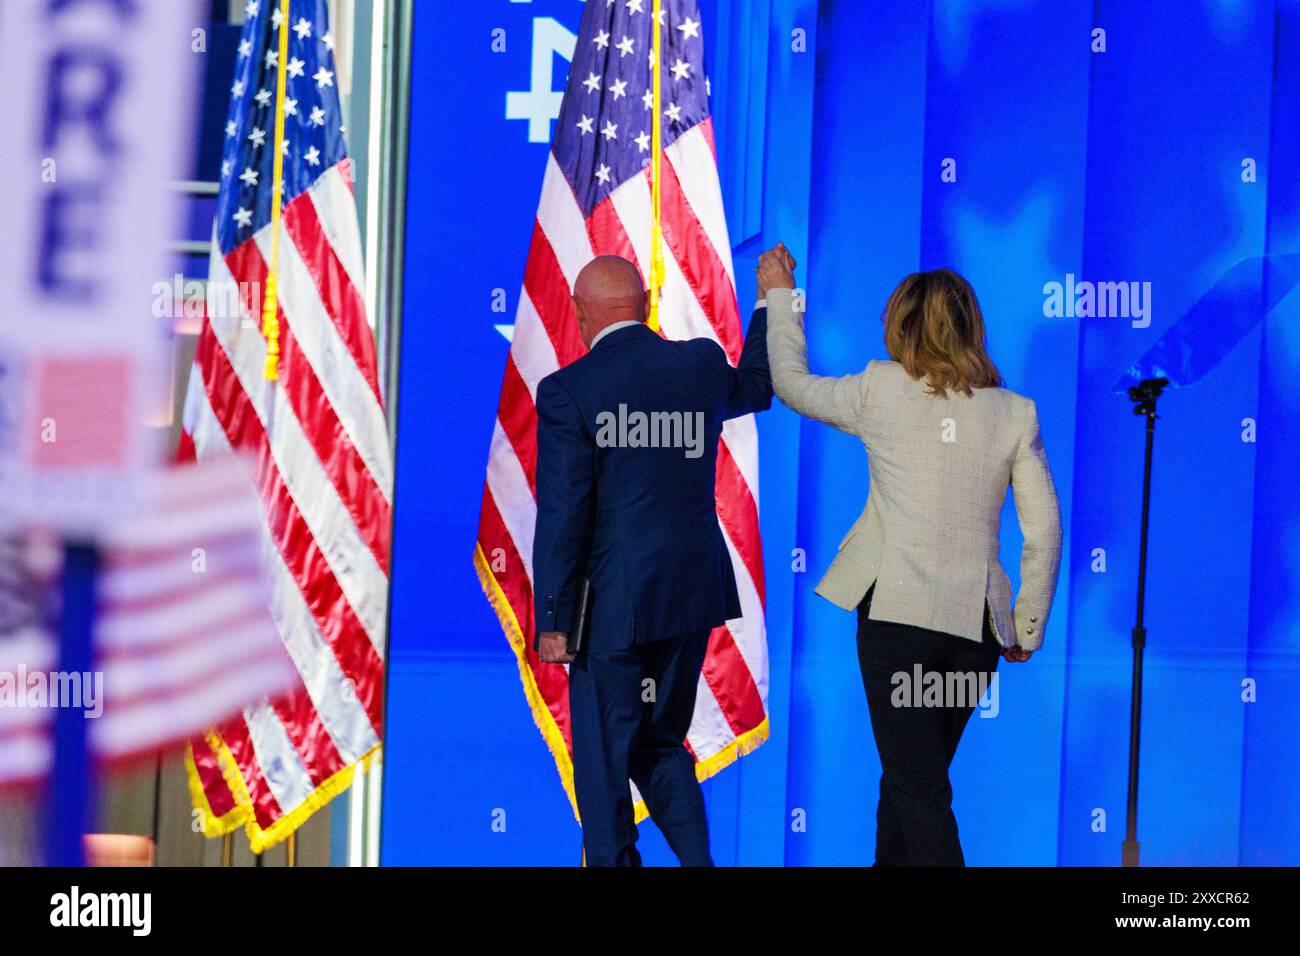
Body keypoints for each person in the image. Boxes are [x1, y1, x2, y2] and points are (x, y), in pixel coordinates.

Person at [760, 245, 1062, 866]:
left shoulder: (881, 390)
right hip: (974, 634)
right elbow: (1045, 532)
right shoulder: (1014, 413)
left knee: (917, 791)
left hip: (897, 626)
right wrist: (1026, 623)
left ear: (902, 326)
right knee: (905, 785)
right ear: (972, 327)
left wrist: (780, 297)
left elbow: (789, 383)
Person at [532, 255, 772, 866]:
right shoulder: (698, 365)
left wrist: (554, 616)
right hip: (689, 599)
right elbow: (758, 388)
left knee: (605, 765)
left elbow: (564, 513)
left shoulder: (570, 392)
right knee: (658, 744)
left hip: (612, 611)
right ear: (644, 306)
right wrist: (774, 303)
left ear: (582, 315)